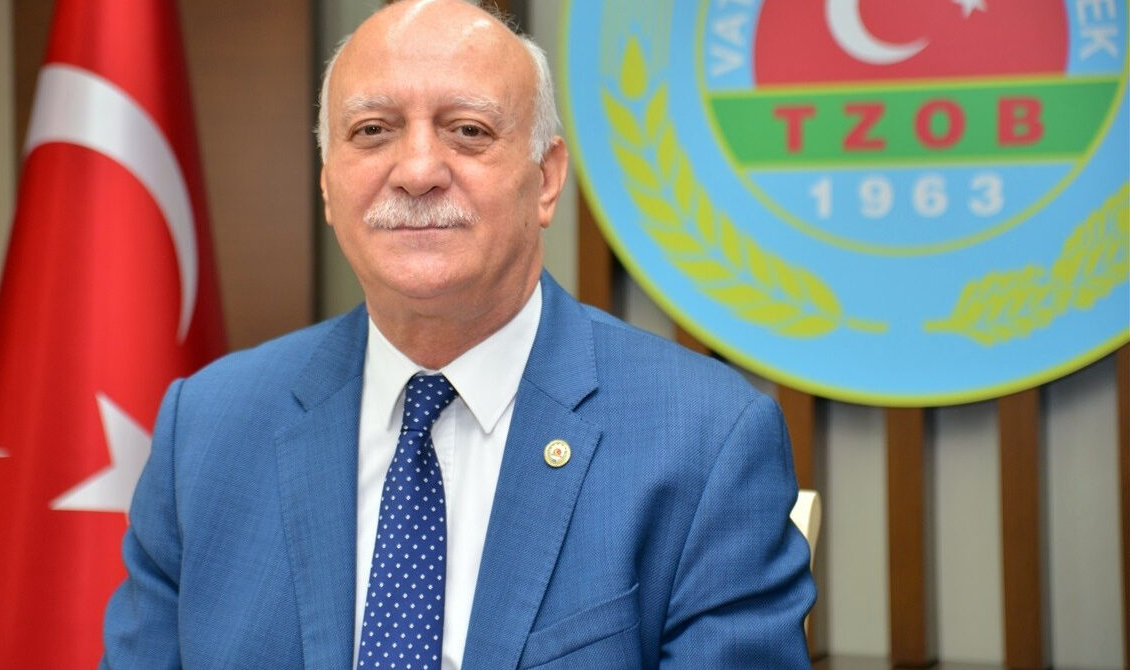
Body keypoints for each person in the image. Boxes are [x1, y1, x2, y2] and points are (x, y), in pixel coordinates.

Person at [100, 0, 815, 668]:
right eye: (372, 131)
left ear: (546, 179)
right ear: (327, 184)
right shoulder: (208, 430)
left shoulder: (706, 439)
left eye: (468, 130)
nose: (416, 172)